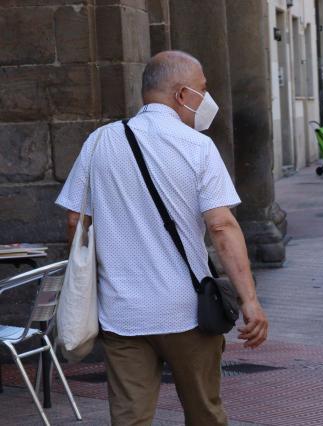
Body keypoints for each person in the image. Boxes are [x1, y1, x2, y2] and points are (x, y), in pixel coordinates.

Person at [56, 51, 269, 425]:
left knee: (130, 418)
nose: (207, 100)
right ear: (183, 95)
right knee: (204, 412)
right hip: (186, 310)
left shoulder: (99, 142)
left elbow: (77, 220)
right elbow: (221, 226)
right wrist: (249, 300)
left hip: (122, 313)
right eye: (203, 90)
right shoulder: (198, 148)